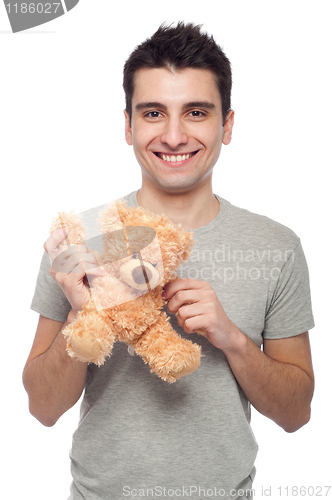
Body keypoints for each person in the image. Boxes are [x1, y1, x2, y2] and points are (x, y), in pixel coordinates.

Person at [23, 22, 315, 500]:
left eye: (196, 112)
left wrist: (233, 340)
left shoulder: (275, 246)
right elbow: (42, 406)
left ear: (228, 124)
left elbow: (296, 413)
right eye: (154, 112)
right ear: (128, 125)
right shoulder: (84, 238)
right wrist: (84, 313)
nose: (174, 135)